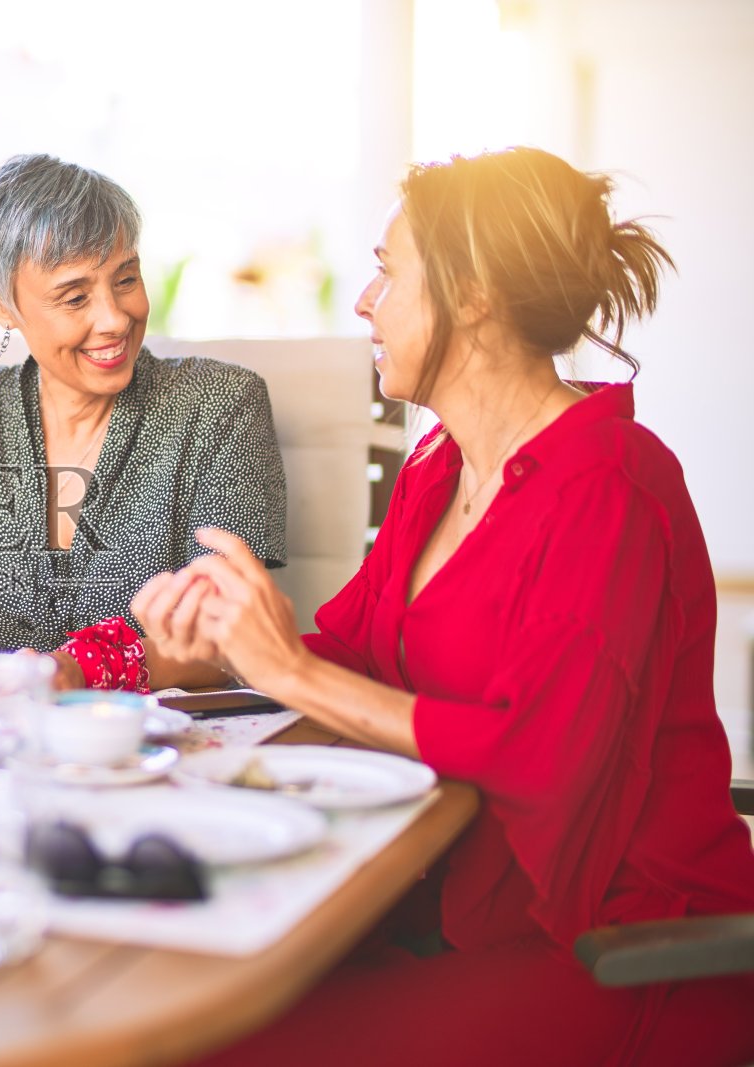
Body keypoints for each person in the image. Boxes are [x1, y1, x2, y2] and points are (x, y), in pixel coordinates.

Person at [134, 146, 754, 1065]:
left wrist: (289, 670)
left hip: (623, 952)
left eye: (388, 272)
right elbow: (351, 651)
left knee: (220, 1043)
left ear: (473, 294)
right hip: (459, 906)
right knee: (184, 990)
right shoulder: (440, 467)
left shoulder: (610, 486)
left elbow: (538, 757)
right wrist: (218, 645)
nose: (363, 302)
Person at [0, 154, 287, 694]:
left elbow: (225, 634)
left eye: (126, 279)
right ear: (1, 306)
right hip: (5, 746)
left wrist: (73, 671)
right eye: (75, 297)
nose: (115, 318)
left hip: (164, 753)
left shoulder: (221, 403)